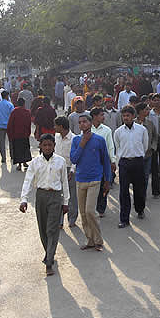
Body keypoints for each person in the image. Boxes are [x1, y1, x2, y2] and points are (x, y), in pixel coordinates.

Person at [20, 134, 69, 276]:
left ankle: (49, 261)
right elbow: (28, 181)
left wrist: (65, 202)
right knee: (42, 228)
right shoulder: (35, 162)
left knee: (52, 229)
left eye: (50, 145)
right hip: (41, 196)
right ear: (40, 146)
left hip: (55, 196)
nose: (47, 147)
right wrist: (23, 199)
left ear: (54, 145)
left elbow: (64, 183)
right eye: (44, 145)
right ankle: (48, 251)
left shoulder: (60, 162)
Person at [70, 114, 111, 251]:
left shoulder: (99, 140)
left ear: (90, 123)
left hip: (95, 179)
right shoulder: (76, 140)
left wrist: (107, 179)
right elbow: (74, 159)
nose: (82, 124)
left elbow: (105, 160)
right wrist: (82, 143)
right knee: (82, 213)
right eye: (80, 122)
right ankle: (90, 240)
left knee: (90, 211)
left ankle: (98, 240)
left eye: (85, 122)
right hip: (80, 179)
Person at [114, 106, 148, 227]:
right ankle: (124, 219)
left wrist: (138, 156)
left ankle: (140, 209)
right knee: (123, 191)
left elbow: (145, 145)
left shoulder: (142, 130)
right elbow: (118, 148)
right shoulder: (118, 132)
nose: (126, 118)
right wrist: (119, 164)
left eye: (128, 115)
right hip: (124, 163)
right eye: (124, 116)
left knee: (139, 189)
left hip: (138, 162)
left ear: (133, 116)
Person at [89, 107, 116, 218]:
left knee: (104, 185)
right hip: (91, 162)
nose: (103, 117)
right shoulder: (87, 129)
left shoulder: (107, 130)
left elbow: (110, 146)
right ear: (94, 116)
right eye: (101, 115)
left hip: (103, 162)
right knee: (92, 185)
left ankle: (101, 208)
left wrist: (113, 160)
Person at [55, 116, 78, 228]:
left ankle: (72, 218)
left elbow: (76, 157)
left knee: (71, 196)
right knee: (58, 195)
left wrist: (72, 170)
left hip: (69, 169)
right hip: (57, 169)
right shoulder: (56, 137)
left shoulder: (74, 138)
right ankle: (59, 221)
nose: (54, 128)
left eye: (56, 125)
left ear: (61, 126)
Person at [135, 102, 157, 197]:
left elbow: (155, 137)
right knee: (137, 176)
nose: (148, 111)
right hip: (136, 155)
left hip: (148, 154)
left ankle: (142, 194)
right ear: (140, 111)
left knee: (146, 175)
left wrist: (152, 147)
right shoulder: (133, 123)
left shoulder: (150, 123)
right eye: (146, 109)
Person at [7, 98, 32, 171]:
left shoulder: (14, 112)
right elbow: (29, 123)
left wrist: (10, 134)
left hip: (16, 134)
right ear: (24, 104)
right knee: (25, 148)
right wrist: (28, 132)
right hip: (24, 134)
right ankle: (24, 162)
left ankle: (19, 164)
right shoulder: (27, 112)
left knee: (17, 150)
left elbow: (10, 124)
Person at [0, 90, 14, 164]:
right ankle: (12, 156)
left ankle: (3, 158)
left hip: (1, 125)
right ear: (7, 96)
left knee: (2, 142)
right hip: (9, 125)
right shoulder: (10, 105)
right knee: (11, 142)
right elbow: (13, 116)